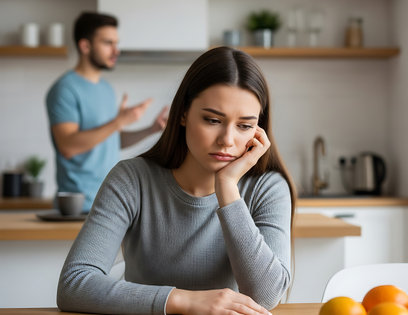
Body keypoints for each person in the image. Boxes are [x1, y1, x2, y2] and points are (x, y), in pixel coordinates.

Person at [57, 46, 297, 315]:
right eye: (213, 119)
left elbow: (265, 296)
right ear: (182, 114)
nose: (227, 140)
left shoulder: (267, 187)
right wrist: (185, 301)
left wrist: (227, 189)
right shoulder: (131, 180)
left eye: (244, 126)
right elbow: (74, 284)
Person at [46, 12, 168, 211]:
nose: (116, 50)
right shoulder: (65, 89)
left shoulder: (106, 89)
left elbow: (111, 140)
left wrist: (150, 129)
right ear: (85, 46)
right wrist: (119, 121)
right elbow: (68, 146)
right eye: (108, 43)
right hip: (78, 207)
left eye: (116, 43)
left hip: (109, 201)